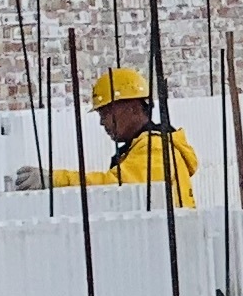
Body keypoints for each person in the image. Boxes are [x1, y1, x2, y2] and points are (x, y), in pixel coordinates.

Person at [16, 66, 199, 207]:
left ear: (133, 108)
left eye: (106, 114)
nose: (102, 123)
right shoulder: (139, 148)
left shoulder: (156, 149)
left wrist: (55, 180)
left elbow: (116, 188)